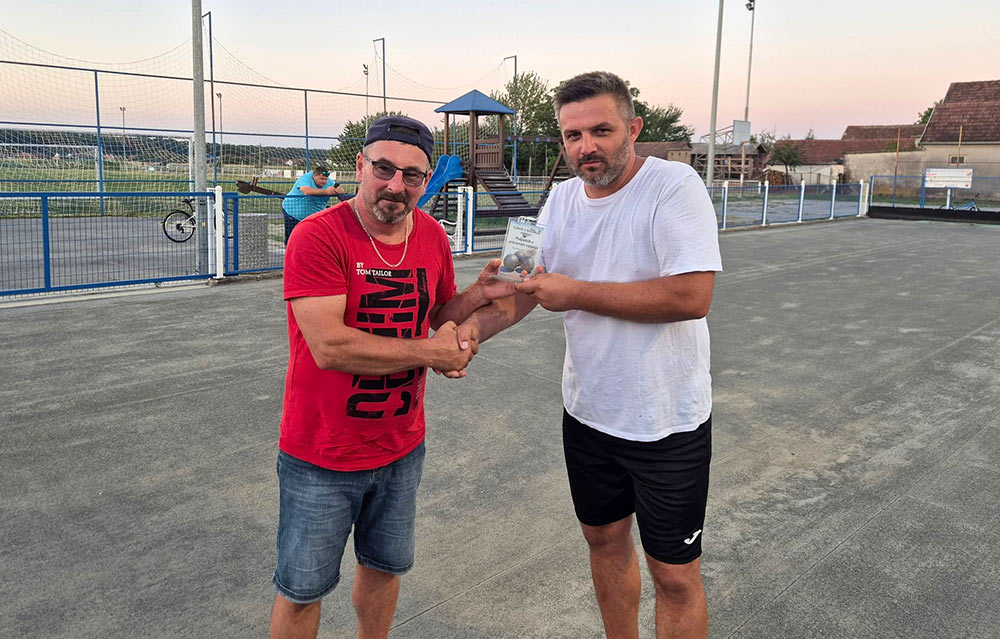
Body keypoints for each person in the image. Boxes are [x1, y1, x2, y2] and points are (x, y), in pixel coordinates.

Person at [455, 71, 722, 639]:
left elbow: (692, 296)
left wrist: (574, 292)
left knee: (675, 575)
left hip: (665, 422)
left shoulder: (675, 186)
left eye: (601, 130)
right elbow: (519, 287)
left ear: (634, 128)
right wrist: (470, 332)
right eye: (572, 135)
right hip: (588, 415)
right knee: (603, 543)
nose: (586, 147)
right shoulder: (558, 200)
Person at [270, 114, 507, 639]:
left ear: (426, 180)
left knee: (383, 570)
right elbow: (329, 346)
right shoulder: (318, 235)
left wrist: (477, 296)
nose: (396, 186)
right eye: (384, 169)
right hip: (322, 454)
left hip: (401, 446)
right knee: (302, 592)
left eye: (412, 175)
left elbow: (437, 314)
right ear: (361, 165)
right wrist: (432, 353)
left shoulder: (431, 235)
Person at [282, 165, 346, 243]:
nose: (324, 181)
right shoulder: (305, 178)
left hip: (314, 216)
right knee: (292, 238)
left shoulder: (329, 182)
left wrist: (340, 191)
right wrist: (326, 192)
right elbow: (306, 191)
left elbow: (339, 189)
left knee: (312, 239)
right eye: (321, 179)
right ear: (314, 176)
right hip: (293, 213)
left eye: (325, 179)